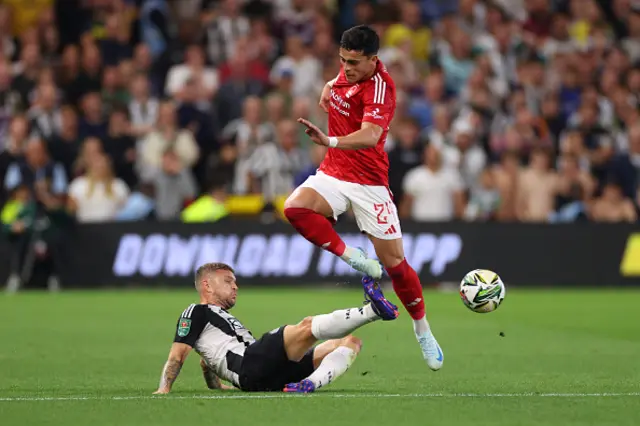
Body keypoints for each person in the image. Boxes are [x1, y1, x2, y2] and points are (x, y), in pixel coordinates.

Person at [283, 25, 444, 370]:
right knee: (294, 208)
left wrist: (331, 141)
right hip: (333, 174)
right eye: (342, 60)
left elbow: (371, 135)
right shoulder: (347, 69)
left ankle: (422, 330)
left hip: (369, 183)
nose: (347, 67)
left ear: (374, 60)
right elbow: (339, 83)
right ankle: (353, 257)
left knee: (396, 266)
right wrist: (329, 85)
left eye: (354, 62)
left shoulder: (381, 88)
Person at [153, 262, 398, 394]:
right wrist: (164, 389)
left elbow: (206, 361)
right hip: (251, 364)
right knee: (306, 326)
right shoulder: (195, 312)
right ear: (206, 285)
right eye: (228, 281)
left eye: (236, 282)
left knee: (350, 342)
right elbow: (178, 354)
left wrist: (218, 386)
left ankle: (310, 383)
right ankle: (372, 311)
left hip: (268, 374)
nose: (235, 287)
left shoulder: (216, 326)